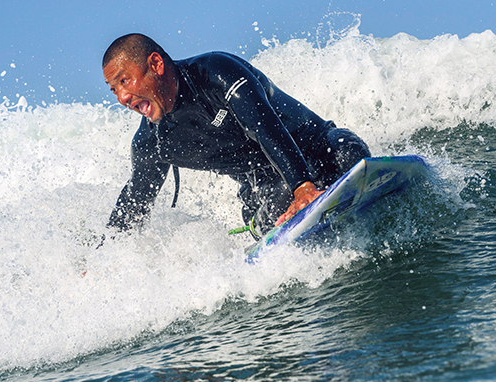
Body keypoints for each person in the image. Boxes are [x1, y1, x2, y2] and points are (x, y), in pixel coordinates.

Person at [103, 33, 370, 238]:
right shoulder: (153, 143)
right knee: (278, 201)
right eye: (113, 89)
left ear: (156, 64)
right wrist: (105, 259)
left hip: (317, 146)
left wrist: (303, 186)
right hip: (265, 190)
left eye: (124, 81)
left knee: (348, 153)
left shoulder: (216, 73)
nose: (122, 98)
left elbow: (263, 127)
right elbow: (134, 203)